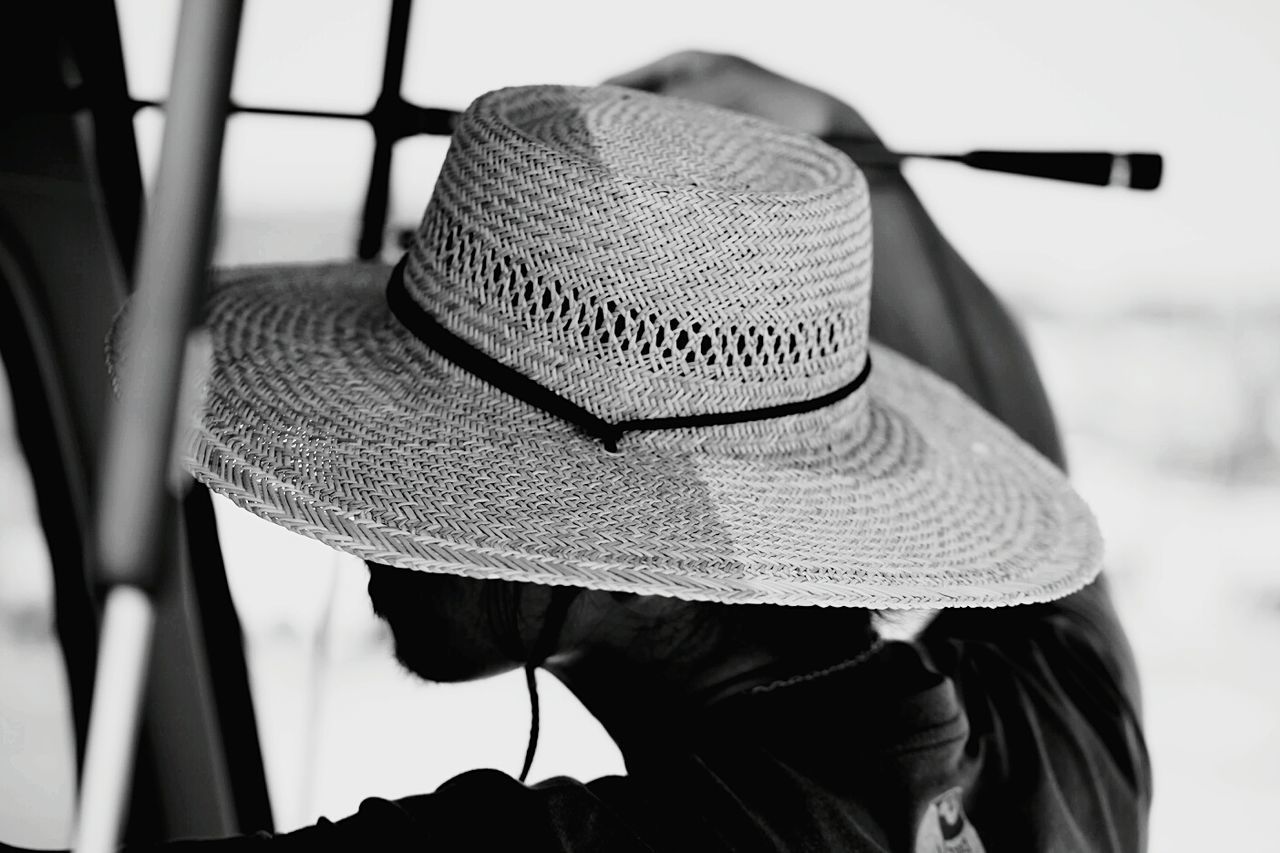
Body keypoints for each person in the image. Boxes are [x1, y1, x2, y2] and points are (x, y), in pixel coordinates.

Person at [12, 53, 1149, 853]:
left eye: (431, 444)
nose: (363, 514)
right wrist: (852, 152)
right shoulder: (1062, 747)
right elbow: (1049, 559)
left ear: (595, 535)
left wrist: (826, 123)